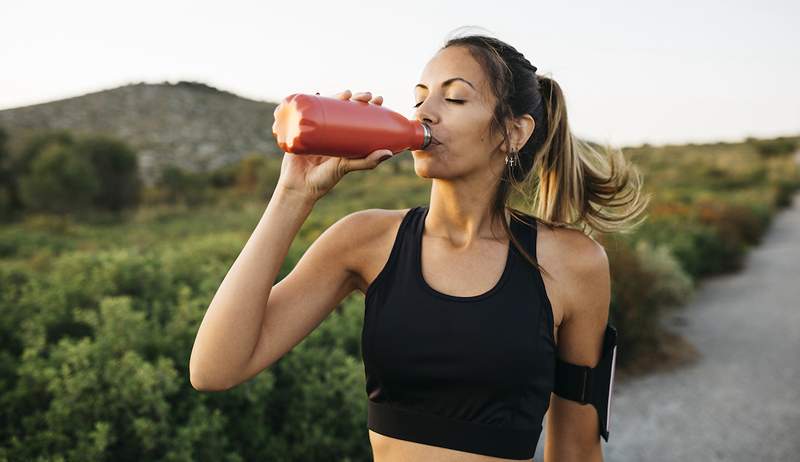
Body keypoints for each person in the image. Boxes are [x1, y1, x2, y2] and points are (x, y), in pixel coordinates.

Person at [190, 29, 650, 462]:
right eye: (419, 98)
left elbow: (576, 450)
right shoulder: (365, 240)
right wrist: (293, 194)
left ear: (513, 132)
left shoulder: (572, 263)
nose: (424, 113)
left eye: (453, 97)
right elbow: (214, 370)